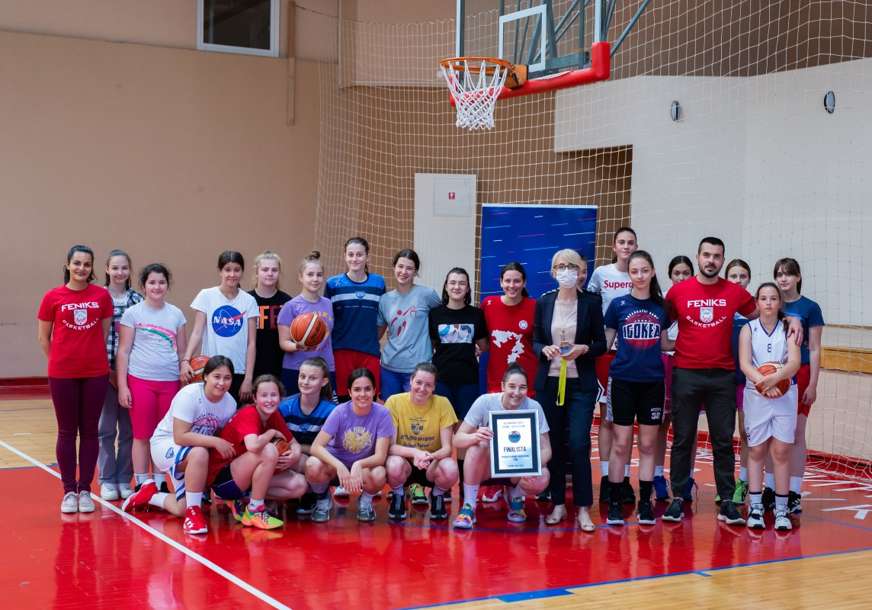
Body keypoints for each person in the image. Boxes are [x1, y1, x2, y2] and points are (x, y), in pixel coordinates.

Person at [662, 237, 801, 525]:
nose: (711, 260)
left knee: (723, 441)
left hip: (722, 375)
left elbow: (765, 312)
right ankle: (678, 498)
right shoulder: (678, 291)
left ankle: (727, 501)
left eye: (717, 256)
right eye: (706, 255)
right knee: (683, 438)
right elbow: (662, 322)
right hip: (686, 372)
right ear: (698, 257)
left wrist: (792, 318)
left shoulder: (734, 292)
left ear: (722, 260)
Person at [123, 356, 237, 535]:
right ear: (205, 376)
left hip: (192, 452)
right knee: (200, 453)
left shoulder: (230, 404)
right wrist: (215, 442)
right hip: (165, 444)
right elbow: (180, 436)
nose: (221, 383)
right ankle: (194, 514)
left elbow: (218, 436)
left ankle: (151, 495)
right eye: (217, 376)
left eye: (227, 378)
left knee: (181, 507)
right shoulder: (189, 395)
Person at [533, 249, 606, 531]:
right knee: (553, 444)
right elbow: (535, 340)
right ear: (553, 272)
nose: (566, 271)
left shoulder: (591, 302)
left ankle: (584, 507)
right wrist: (544, 349)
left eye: (571, 266)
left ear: (579, 271)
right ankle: (558, 503)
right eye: (560, 266)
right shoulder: (544, 302)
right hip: (549, 383)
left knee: (578, 443)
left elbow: (601, 343)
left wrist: (584, 348)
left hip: (580, 385)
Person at [38, 245, 113, 514]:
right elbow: (43, 338)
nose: (81, 268)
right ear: (68, 265)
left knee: (90, 431)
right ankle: (69, 491)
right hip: (62, 374)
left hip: (95, 373)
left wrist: (87, 356)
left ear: (92, 268)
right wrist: (61, 361)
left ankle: (85, 490)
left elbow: (103, 333)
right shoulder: (52, 297)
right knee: (67, 432)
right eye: (77, 263)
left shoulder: (101, 296)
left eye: (87, 264)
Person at [603, 251, 671, 526]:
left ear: (652, 272)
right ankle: (615, 502)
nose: (640, 276)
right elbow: (605, 344)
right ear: (628, 274)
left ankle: (645, 503)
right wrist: (578, 345)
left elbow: (665, 344)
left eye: (644, 270)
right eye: (634, 271)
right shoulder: (618, 305)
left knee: (647, 444)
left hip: (652, 383)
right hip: (622, 382)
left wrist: (694, 344)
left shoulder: (661, 307)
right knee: (620, 444)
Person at [116, 263, 187, 497]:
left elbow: (182, 353)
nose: (157, 287)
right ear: (144, 286)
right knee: (141, 435)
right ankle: (141, 482)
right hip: (140, 381)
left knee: (162, 435)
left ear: (167, 285)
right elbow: (123, 351)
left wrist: (184, 378)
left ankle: (159, 481)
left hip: (170, 383)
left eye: (161, 282)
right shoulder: (133, 314)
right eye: (152, 282)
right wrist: (123, 386)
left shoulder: (176, 314)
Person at [452, 365, 552, 529]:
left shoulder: (534, 407)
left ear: (527, 389)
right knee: (478, 445)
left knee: (543, 476)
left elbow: (546, 449)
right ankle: (469, 506)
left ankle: (515, 497)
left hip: (517, 468)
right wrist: (474, 436)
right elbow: (457, 440)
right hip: (487, 468)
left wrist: (531, 466)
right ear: (502, 386)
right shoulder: (485, 402)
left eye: (522, 387)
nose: (517, 392)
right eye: (512, 386)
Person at [206, 375, 307, 530]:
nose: (269, 400)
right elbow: (253, 446)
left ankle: (245, 499)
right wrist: (271, 433)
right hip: (223, 479)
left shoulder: (273, 415)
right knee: (268, 450)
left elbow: (294, 444)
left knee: (299, 485)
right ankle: (255, 510)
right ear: (255, 398)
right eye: (264, 395)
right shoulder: (249, 413)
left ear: (280, 398)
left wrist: (294, 455)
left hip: (243, 476)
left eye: (273, 395)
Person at [739, 283, 800, 531]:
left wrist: (775, 379)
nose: (768, 302)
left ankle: (781, 509)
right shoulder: (748, 329)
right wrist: (764, 384)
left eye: (773, 298)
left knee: (782, 452)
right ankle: (755, 507)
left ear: (779, 302)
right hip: (757, 394)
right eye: (763, 298)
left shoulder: (789, 328)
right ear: (757, 302)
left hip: (785, 394)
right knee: (756, 450)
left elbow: (794, 362)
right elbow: (744, 364)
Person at [480, 261, 539, 504]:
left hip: (526, 382)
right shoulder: (488, 305)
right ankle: (494, 484)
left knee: (520, 438)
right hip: (497, 379)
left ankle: (516, 488)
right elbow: (482, 340)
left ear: (524, 283)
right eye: (508, 280)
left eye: (517, 281)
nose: (512, 285)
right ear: (501, 282)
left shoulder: (534, 306)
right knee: (494, 437)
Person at [587, 227, 637, 505]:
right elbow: (590, 308)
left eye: (631, 242)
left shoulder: (640, 273)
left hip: (635, 354)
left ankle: (624, 478)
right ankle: (607, 477)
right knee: (607, 418)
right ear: (614, 247)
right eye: (622, 242)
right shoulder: (601, 274)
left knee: (625, 422)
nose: (626, 246)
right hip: (608, 354)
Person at [305, 368, 394, 523]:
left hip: (363, 468)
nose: (363, 394)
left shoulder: (383, 414)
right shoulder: (340, 412)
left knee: (379, 473)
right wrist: (339, 465)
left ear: (374, 391)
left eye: (367, 389)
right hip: (335, 466)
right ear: (349, 392)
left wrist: (359, 464)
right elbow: (316, 447)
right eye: (357, 389)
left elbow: (380, 456)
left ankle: (365, 501)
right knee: (312, 465)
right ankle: (322, 499)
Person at [774, 257, 824, 515]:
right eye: (779, 274)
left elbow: (814, 349)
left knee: (796, 433)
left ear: (798, 277)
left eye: (788, 273)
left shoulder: (810, 308)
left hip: (801, 373)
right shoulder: (771, 303)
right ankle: (771, 488)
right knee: (772, 434)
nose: (783, 278)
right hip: (774, 373)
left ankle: (793, 492)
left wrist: (813, 383)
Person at [182, 251, 259, 404]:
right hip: (211, 370)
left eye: (237, 270)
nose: (232, 274)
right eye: (227, 269)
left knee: (234, 415)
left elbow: (251, 343)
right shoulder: (206, 295)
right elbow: (197, 332)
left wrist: (248, 378)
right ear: (220, 271)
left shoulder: (249, 301)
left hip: (237, 371)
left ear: (242, 272)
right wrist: (186, 360)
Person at [385, 363, 459, 521]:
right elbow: (390, 447)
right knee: (393, 464)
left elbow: (447, 448)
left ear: (434, 387)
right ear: (411, 381)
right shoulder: (394, 402)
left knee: (451, 468)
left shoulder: (443, 403)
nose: (422, 388)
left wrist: (428, 457)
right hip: (404, 463)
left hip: (430, 464)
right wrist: (415, 453)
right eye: (418, 382)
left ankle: (437, 495)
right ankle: (399, 494)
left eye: (428, 385)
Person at [98, 249, 142, 501]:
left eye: (124, 268)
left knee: (128, 430)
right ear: (107, 269)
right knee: (105, 429)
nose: (119, 272)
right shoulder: (97, 297)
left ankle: (124, 477)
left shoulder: (137, 299)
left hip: (131, 373)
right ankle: (106, 479)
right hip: (102, 372)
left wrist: (124, 374)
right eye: (115, 268)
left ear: (129, 270)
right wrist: (108, 370)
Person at [324, 237, 385, 401]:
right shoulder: (333, 284)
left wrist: (372, 338)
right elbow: (327, 320)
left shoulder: (378, 283)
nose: (355, 259)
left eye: (359, 254)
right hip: (341, 350)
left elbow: (382, 318)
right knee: (344, 399)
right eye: (350, 254)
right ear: (344, 256)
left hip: (370, 351)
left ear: (367, 257)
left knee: (368, 399)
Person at [653, 255, 693, 501]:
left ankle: (687, 477)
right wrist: (689, 344)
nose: (681, 277)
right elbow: (663, 342)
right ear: (670, 275)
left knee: (687, 427)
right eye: (677, 273)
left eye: (685, 273)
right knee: (661, 423)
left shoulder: (697, 298)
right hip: (666, 363)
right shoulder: (664, 301)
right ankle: (658, 476)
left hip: (690, 365)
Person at [277, 357, 337, 517]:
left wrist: (299, 449)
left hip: (322, 463)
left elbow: (331, 450)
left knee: (312, 464)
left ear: (324, 381)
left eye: (312, 378)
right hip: (293, 457)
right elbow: (278, 440)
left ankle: (320, 495)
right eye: (302, 376)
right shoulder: (285, 406)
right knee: (277, 454)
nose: (305, 382)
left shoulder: (331, 411)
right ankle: (299, 492)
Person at [377, 249, 441, 399]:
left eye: (409, 268)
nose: (403, 272)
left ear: (415, 272)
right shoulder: (385, 299)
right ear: (394, 267)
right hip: (389, 367)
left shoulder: (427, 295)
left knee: (417, 411)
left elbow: (445, 319)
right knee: (391, 411)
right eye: (400, 266)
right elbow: (377, 333)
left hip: (419, 369)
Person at [428, 267, 488, 423]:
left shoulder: (476, 314)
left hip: (468, 379)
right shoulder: (434, 314)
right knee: (443, 423)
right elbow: (431, 345)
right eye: (453, 283)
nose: (457, 287)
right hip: (441, 378)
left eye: (462, 283)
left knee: (465, 424)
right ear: (446, 286)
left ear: (467, 288)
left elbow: (484, 345)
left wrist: (474, 348)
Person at [277, 251, 335, 395]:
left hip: (325, 367)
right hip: (297, 369)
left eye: (319, 275)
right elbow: (284, 342)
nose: (315, 279)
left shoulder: (328, 304)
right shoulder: (291, 306)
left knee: (325, 407)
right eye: (310, 274)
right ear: (300, 277)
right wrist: (299, 346)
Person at [725, 259, 753, 506]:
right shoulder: (722, 305)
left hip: (747, 381)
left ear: (749, 279)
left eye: (742, 276)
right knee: (723, 433)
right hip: (723, 379)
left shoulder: (755, 309)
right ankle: (724, 482)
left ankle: (743, 481)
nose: (738, 280)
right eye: (733, 276)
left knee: (746, 433)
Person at [248, 251, 291, 379]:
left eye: (274, 270)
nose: (270, 273)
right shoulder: (246, 300)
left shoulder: (287, 302)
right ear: (257, 272)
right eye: (265, 269)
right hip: (250, 369)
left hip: (279, 368)